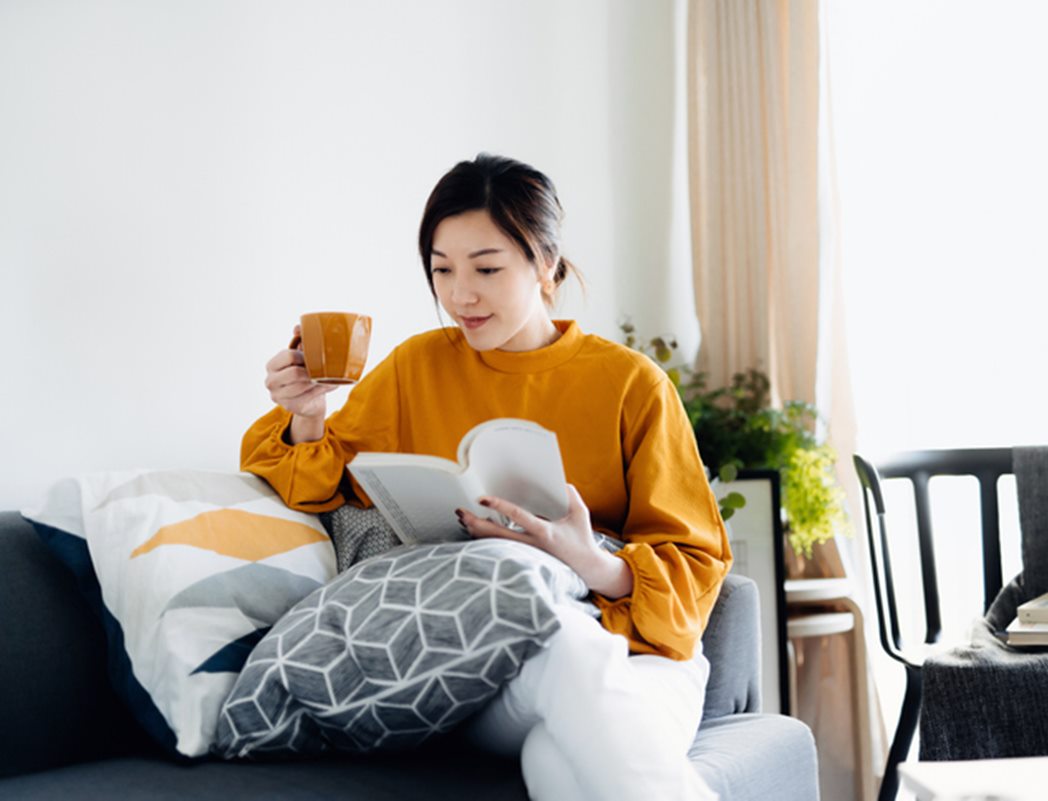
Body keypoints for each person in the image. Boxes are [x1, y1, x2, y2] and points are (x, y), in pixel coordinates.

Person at [240, 153, 731, 801]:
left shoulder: (631, 385)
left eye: (487, 269)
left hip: (641, 656)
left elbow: (696, 566)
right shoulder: (416, 369)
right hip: (493, 662)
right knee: (565, 659)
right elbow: (319, 481)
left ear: (546, 264)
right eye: (441, 270)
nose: (459, 295)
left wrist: (590, 562)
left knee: (556, 760)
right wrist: (307, 414)